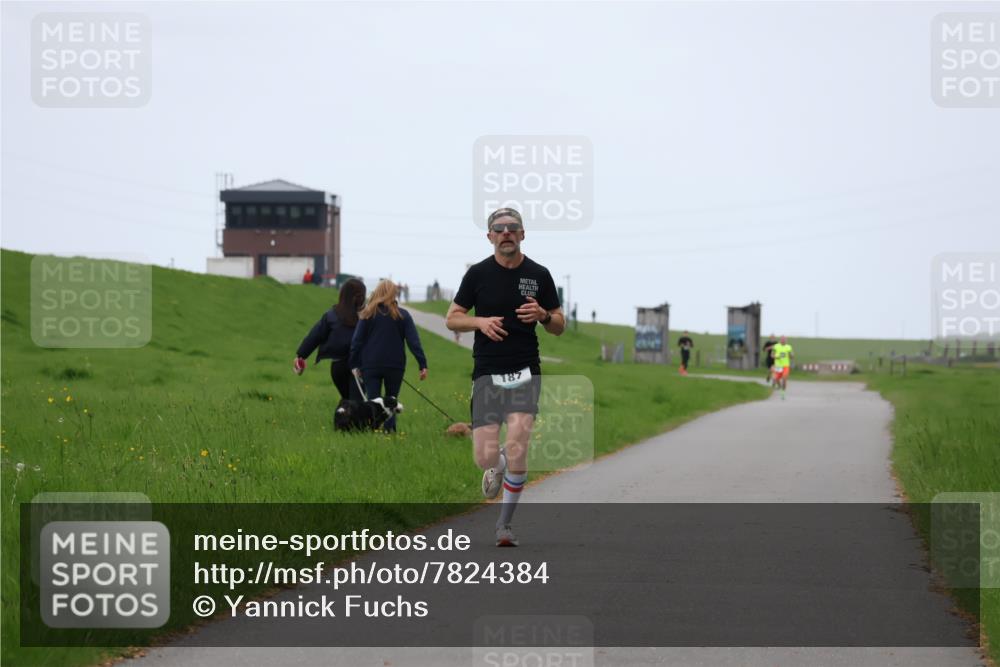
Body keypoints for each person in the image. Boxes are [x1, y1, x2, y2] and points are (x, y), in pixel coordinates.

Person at [445, 207, 564, 547]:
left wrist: (543, 314)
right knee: (484, 456)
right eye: (500, 228)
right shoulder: (478, 275)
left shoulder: (539, 274)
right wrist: (479, 323)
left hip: (526, 369)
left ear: (523, 234)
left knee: (518, 445)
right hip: (487, 371)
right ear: (490, 236)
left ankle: (504, 525)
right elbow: (452, 318)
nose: (507, 232)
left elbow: (559, 325)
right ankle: (495, 464)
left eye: (513, 227)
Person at [350, 280, 428, 432]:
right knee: (391, 400)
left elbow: (356, 342)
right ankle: (390, 432)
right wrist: (422, 364)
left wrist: (355, 364)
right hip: (395, 366)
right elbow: (414, 342)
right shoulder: (403, 315)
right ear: (394, 294)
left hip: (370, 365)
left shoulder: (367, 314)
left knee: (373, 401)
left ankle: (374, 431)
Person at [294, 279, 367, 401]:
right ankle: (350, 418)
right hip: (359, 367)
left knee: (348, 400)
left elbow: (315, 336)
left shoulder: (331, 315)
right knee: (356, 403)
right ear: (361, 297)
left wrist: (300, 355)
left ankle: (343, 418)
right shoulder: (367, 316)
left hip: (338, 368)